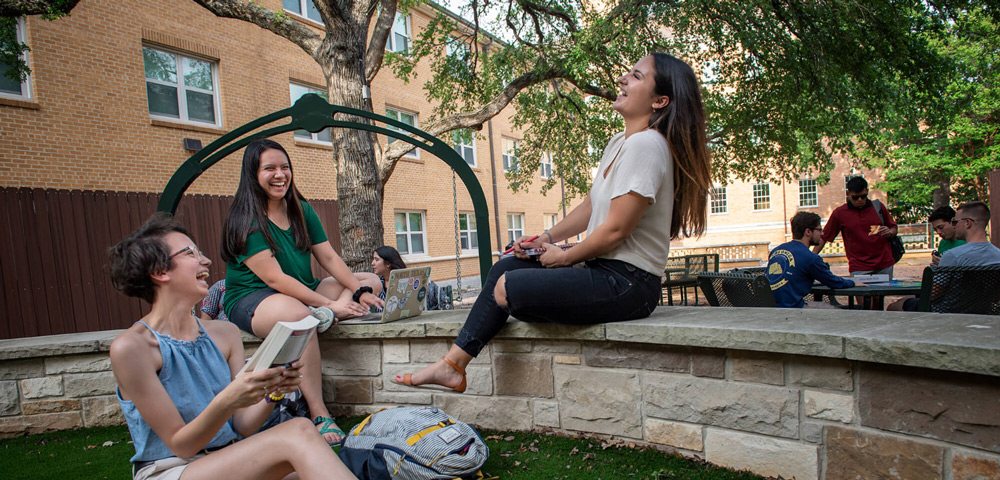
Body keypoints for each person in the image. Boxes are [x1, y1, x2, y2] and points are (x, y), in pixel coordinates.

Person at [392, 53, 711, 392]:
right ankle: (453, 365)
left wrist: (563, 256)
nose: (622, 80)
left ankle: (456, 363)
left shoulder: (648, 145)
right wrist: (544, 237)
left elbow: (617, 230)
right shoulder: (622, 142)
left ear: (660, 100)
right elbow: (592, 205)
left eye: (635, 76)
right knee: (506, 267)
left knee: (508, 288)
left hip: (629, 285)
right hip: (605, 270)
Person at [107, 213, 356, 480]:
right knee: (298, 432)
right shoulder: (131, 348)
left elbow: (243, 426)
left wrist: (274, 391)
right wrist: (228, 398)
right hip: (171, 469)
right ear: (159, 272)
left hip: (229, 458)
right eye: (191, 253)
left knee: (312, 463)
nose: (207, 260)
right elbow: (182, 444)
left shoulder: (225, 334)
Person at [221, 138, 383, 442]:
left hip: (302, 291)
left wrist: (358, 292)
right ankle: (319, 412)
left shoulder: (300, 209)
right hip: (254, 298)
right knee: (299, 315)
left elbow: (329, 257)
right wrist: (329, 304)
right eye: (269, 168)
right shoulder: (246, 220)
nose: (279, 174)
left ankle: (321, 314)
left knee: (370, 281)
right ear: (253, 174)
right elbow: (276, 281)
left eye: (284, 167)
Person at [888, 201, 1000, 311]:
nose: (954, 226)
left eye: (955, 222)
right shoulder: (997, 255)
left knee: (894, 307)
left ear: (967, 223)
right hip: (983, 311)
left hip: (946, 311)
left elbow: (932, 295)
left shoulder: (953, 256)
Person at [767, 212, 864, 308]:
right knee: (842, 314)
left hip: (771, 309)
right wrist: (853, 283)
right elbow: (833, 282)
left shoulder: (776, 251)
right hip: (794, 309)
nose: (822, 234)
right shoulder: (811, 258)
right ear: (808, 232)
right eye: (819, 230)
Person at [812, 177, 898, 278]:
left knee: (879, 293)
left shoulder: (878, 207)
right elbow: (824, 237)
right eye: (855, 197)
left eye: (863, 196)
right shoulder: (840, 213)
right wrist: (811, 257)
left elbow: (894, 228)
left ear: (867, 192)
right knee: (860, 293)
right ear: (848, 194)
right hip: (859, 267)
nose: (860, 200)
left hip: (884, 264)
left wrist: (890, 232)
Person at [371, 245, 451, 311]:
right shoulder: (376, 283)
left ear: (388, 263)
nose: (372, 263)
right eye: (373, 259)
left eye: (376, 260)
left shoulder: (411, 280)